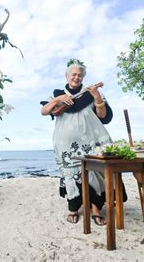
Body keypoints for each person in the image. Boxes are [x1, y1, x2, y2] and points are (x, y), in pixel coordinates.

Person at [41, 59, 124, 225]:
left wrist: (97, 97)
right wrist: (59, 100)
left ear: (83, 77)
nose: (76, 77)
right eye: (73, 74)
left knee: (96, 173)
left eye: (80, 75)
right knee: (70, 174)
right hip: (66, 143)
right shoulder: (58, 93)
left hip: (91, 140)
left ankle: (95, 208)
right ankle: (73, 208)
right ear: (67, 76)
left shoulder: (90, 93)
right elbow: (44, 111)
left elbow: (103, 116)